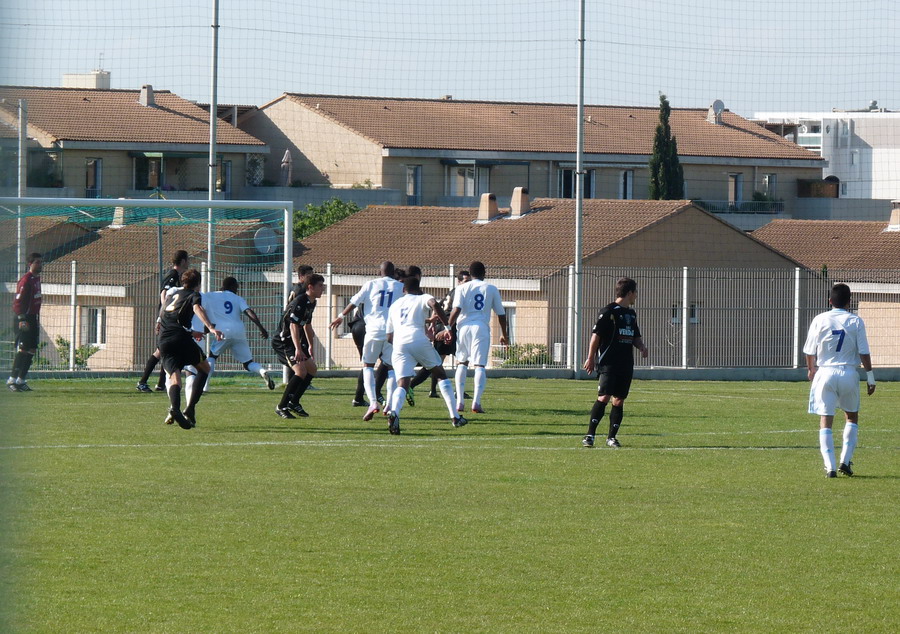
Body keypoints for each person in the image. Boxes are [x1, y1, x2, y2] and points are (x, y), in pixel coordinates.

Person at [803, 283, 875, 478]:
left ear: (830, 301)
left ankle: (830, 467)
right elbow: (864, 352)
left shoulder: (820, 319)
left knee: (826, 419)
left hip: (825, 372)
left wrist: (811, 369)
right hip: (849, 373)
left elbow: (809, 350)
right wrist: (870, 377)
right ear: (849, 302)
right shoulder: (856, 321)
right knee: (851, 416)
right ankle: (845, 460)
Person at [384, 276, 467, 434]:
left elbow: (389, 336)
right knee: (440, 374)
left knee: (403, 383)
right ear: (418, 287)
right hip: (418, 340)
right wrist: (448, 327)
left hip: (399, 344)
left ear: (403, 290)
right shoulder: (423, 297)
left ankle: (394, 412)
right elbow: (434, 303)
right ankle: (455, 417)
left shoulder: (394, 305)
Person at [330, 261, 403, 421]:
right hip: (392, 332)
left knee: (368, 366)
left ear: (379, 272)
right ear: (394, 273)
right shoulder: (399, 287)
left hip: (373, 330)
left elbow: (354, 302)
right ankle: (389, 404)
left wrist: (341, 316)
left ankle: (373, 402)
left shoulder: (370, 284)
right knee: (391, 368)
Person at [581, 277, 648, 448]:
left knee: (619, 400)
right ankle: (590, 435)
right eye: (635, 292)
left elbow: (635, 336)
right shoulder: (609, 311)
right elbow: (596, 335)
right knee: (604, 397)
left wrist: (641, 347)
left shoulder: (631, 314)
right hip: (609, 363)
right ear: (630, 293)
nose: (636, 296)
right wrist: (590, 357)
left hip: (625, 364)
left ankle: (611, 437)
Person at [157, 268, 223, 429]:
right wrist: (211, 328)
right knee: (204, 368)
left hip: (164, 340)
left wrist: (192, 332)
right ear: (198, 284)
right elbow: (197, 308)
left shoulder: (172, 296)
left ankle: (174, 408)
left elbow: (167, 318)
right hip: (181, 339)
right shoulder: (194, 295)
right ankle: (190, 408)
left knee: (175, 377)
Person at [448, 260, 509, 414]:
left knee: (462, 362)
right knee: (479, 365)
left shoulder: (461, 287)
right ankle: (476, 402)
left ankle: (460, 402)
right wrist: (504, 334)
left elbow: (456, 310)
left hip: (463, 327)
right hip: (480, 327)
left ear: (470, 273)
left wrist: (448, 328)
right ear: (484, 273)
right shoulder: (491, 288)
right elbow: (501, 314)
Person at [200, 277, 274, 391]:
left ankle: (204, 387)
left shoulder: (211, 295)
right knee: (248, 363)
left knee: (212, 357)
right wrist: (261, 328)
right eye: (237, 287)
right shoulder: (238, 298)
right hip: (239, 331)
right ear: (233, 287)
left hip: (222, 331)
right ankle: (262, 371)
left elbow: (199, 299)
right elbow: (249, 312)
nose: (237, 290)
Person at [408, 269, 471, 400]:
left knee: (445, 361)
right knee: (436, 362)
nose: (468, 284)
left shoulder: (453, 292)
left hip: (446, 326)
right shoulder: (460, 292)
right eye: (465, 281)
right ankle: (411, 385)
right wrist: (443, 327)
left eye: (469, 281)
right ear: (459, 282)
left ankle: (435, 390)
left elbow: (439, 307)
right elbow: (449, 310)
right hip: (448, 327)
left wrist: (432, 323)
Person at [272, 274, 325, 419]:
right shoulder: (299, 302)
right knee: (300, 371)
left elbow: (307, 325)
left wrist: (310, 346)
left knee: (312, 369)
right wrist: (298, 349)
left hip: (294, 342)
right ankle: (281, 406)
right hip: (284, 341)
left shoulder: (311, 302)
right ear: (310, 287)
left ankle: (294, 402)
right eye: (320, 285)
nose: (323, 288)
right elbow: (293, 325)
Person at [137, 250, 190, 393]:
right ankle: (142, 382)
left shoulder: (177, 276)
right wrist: (164, 314)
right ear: (183, 261)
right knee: (160, 351)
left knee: (168, 350)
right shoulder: (172, 275)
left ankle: (161, 384)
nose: (189, 262)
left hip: (169, 319)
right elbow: (164, 294)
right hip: (166, 319)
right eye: (187, 259)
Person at [7, 252, 43, 392]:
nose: (40, 265)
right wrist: (22, 318)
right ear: (30, 264)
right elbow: (17, 302)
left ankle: (21, 380)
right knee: (23, 349)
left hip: (33, 318)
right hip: (24, 318)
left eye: (41, 262)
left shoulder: (36, 279)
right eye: (37, 262)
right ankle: (12, 380)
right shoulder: (26, 280)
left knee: (32, 349)